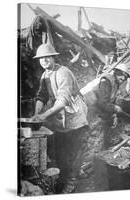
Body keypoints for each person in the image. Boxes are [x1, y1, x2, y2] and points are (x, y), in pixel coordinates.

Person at [32, 43, 89, 193]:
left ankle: (72, 182)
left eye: (47, 57)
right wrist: (37, 113)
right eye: (41, 58)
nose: (44, 60)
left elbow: (63, 100)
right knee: (62, 152)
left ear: (53, 57)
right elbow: (41, 95)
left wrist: (44, 115)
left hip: (75, 117)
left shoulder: (63, 72)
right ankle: (69, 174)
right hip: (61, 118)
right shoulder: (45, 75)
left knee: (75, 150)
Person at [92, 63, 130, 147]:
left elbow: (111, 101)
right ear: (116, 72)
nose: (123, 78)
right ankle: (98, 148)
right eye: (121, 75)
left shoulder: (116, 83)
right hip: (92, 109)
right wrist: (115, 108)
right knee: (96, 130)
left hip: (100, 107)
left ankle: (106, 143)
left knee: (108, 120)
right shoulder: (106, 81)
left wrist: (114, 115)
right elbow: (102, 103)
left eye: (125, 77)